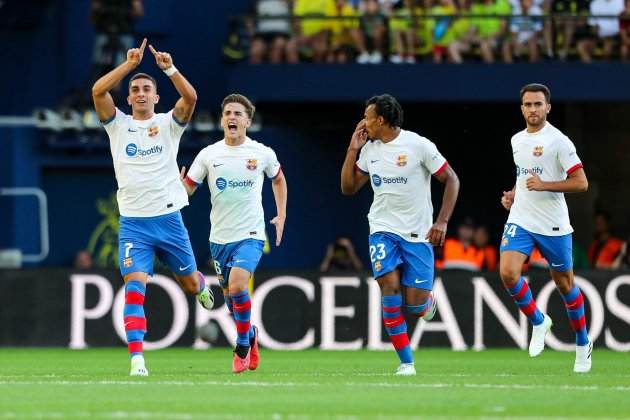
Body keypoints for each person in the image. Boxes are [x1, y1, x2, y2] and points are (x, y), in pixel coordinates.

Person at [91, 38, 214, 377]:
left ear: (156, 97)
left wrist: (170, 69)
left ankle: (200, 284)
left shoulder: (169, 124)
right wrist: (128, 65)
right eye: (136, 90)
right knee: (134, 286)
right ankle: (137, 360)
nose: (142, 93)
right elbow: (98, 92)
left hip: (168, 219)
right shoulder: (117, 125)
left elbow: (190, 98)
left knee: (188, 285)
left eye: (147, 88)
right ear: (129, 98)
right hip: (133, 224)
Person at [341, 94, 460, 376]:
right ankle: (407, 362)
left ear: (380, 120)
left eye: (367, 117)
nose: (363, 122)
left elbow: (451, 179)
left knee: (416, 305)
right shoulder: (369, 150)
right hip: (382, 230)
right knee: (389, 287)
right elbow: (348, 188)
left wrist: (442, 221)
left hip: (418, 234)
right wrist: (351, 149)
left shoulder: (418, 145)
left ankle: (425, 302)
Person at [181, 94, 287, 374]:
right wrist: (179, 187)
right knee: (231, 300)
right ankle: (250, 334)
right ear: (222, 119)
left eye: (238, 113)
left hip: (251, 233)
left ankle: (241, 345)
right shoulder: (209, 154)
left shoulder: (262, 153)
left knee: (239, 286)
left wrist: (281, 213)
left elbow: (278, 179)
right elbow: (189, 188)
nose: (232, 117)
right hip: (219, 238)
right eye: (227, 112)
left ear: (248, 121)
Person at [499, 83, 591, 373]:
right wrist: (515, 193)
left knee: (565, 285)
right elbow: (524, 173)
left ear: (548, 107)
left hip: (553, 224)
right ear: (522, 108)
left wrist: (544, 186)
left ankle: (582, 342)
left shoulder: (559, 141)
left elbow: (581, 182)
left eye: (538, 104)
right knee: (508, 273)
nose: (533, 109)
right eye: (528, 105)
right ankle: (539, 321)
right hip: (521, 218)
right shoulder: (516, 139)